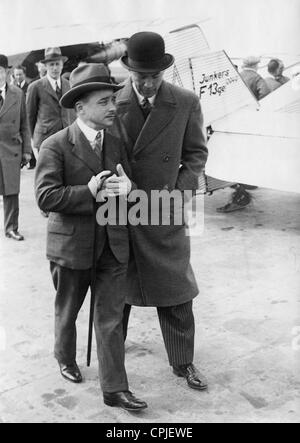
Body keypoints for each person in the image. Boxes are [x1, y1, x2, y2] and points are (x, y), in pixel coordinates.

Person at [35, 63, 147, 412]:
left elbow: (129, 184)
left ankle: (115, 388)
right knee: (68, 311)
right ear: (80, 108)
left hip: (112, 245)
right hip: (71, 247)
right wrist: (90, 191)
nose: (113, 107)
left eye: (113, 99)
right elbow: (46, 197)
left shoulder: (116, 141)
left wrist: (130, 189)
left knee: (111, 318)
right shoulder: (56, 145)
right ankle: (64, 357)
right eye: (104, 101)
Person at [116, 32, 209, 391]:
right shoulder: (111, 102)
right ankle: (112, 354)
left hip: (163, 207)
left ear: (164, 70)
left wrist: (178, 194)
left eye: (155, 75)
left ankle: (183, 362)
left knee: (175, 286)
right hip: (119, 207)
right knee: (116, 288)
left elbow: (196, 155)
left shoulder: (185, 102)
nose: (149, 83)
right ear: (129, 71)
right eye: (142, 77)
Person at [0, 55, 31, 241]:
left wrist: (27, 150)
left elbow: (25, 123)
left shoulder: (17, 94)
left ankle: (11, 227)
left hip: (11, 149)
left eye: (0, 71)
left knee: (11, 191)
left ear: (7, 72)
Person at [26, 47, 75, 154]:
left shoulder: (68, 85)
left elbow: (72, 112)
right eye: (51, 65)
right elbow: (30, 116)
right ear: (46, 66)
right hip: (45, 139)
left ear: (62, 65)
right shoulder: (35, 87)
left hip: (67, 138)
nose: (55, 68)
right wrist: (34, 138)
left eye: (57, 64)